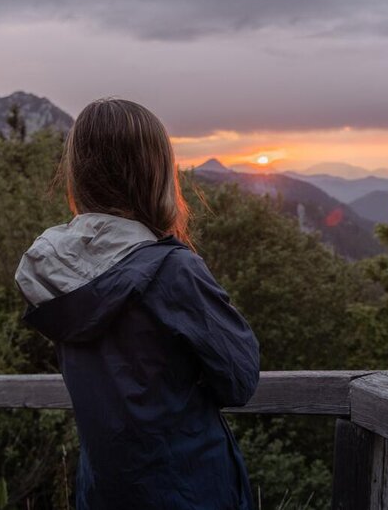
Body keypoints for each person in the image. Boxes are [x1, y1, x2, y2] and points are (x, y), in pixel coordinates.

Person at [15, 98, 260, 509]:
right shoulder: (171, 271)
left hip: (103, 492)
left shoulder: (56, 272)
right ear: (155, 171)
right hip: (187, 490)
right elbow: (240, 378)